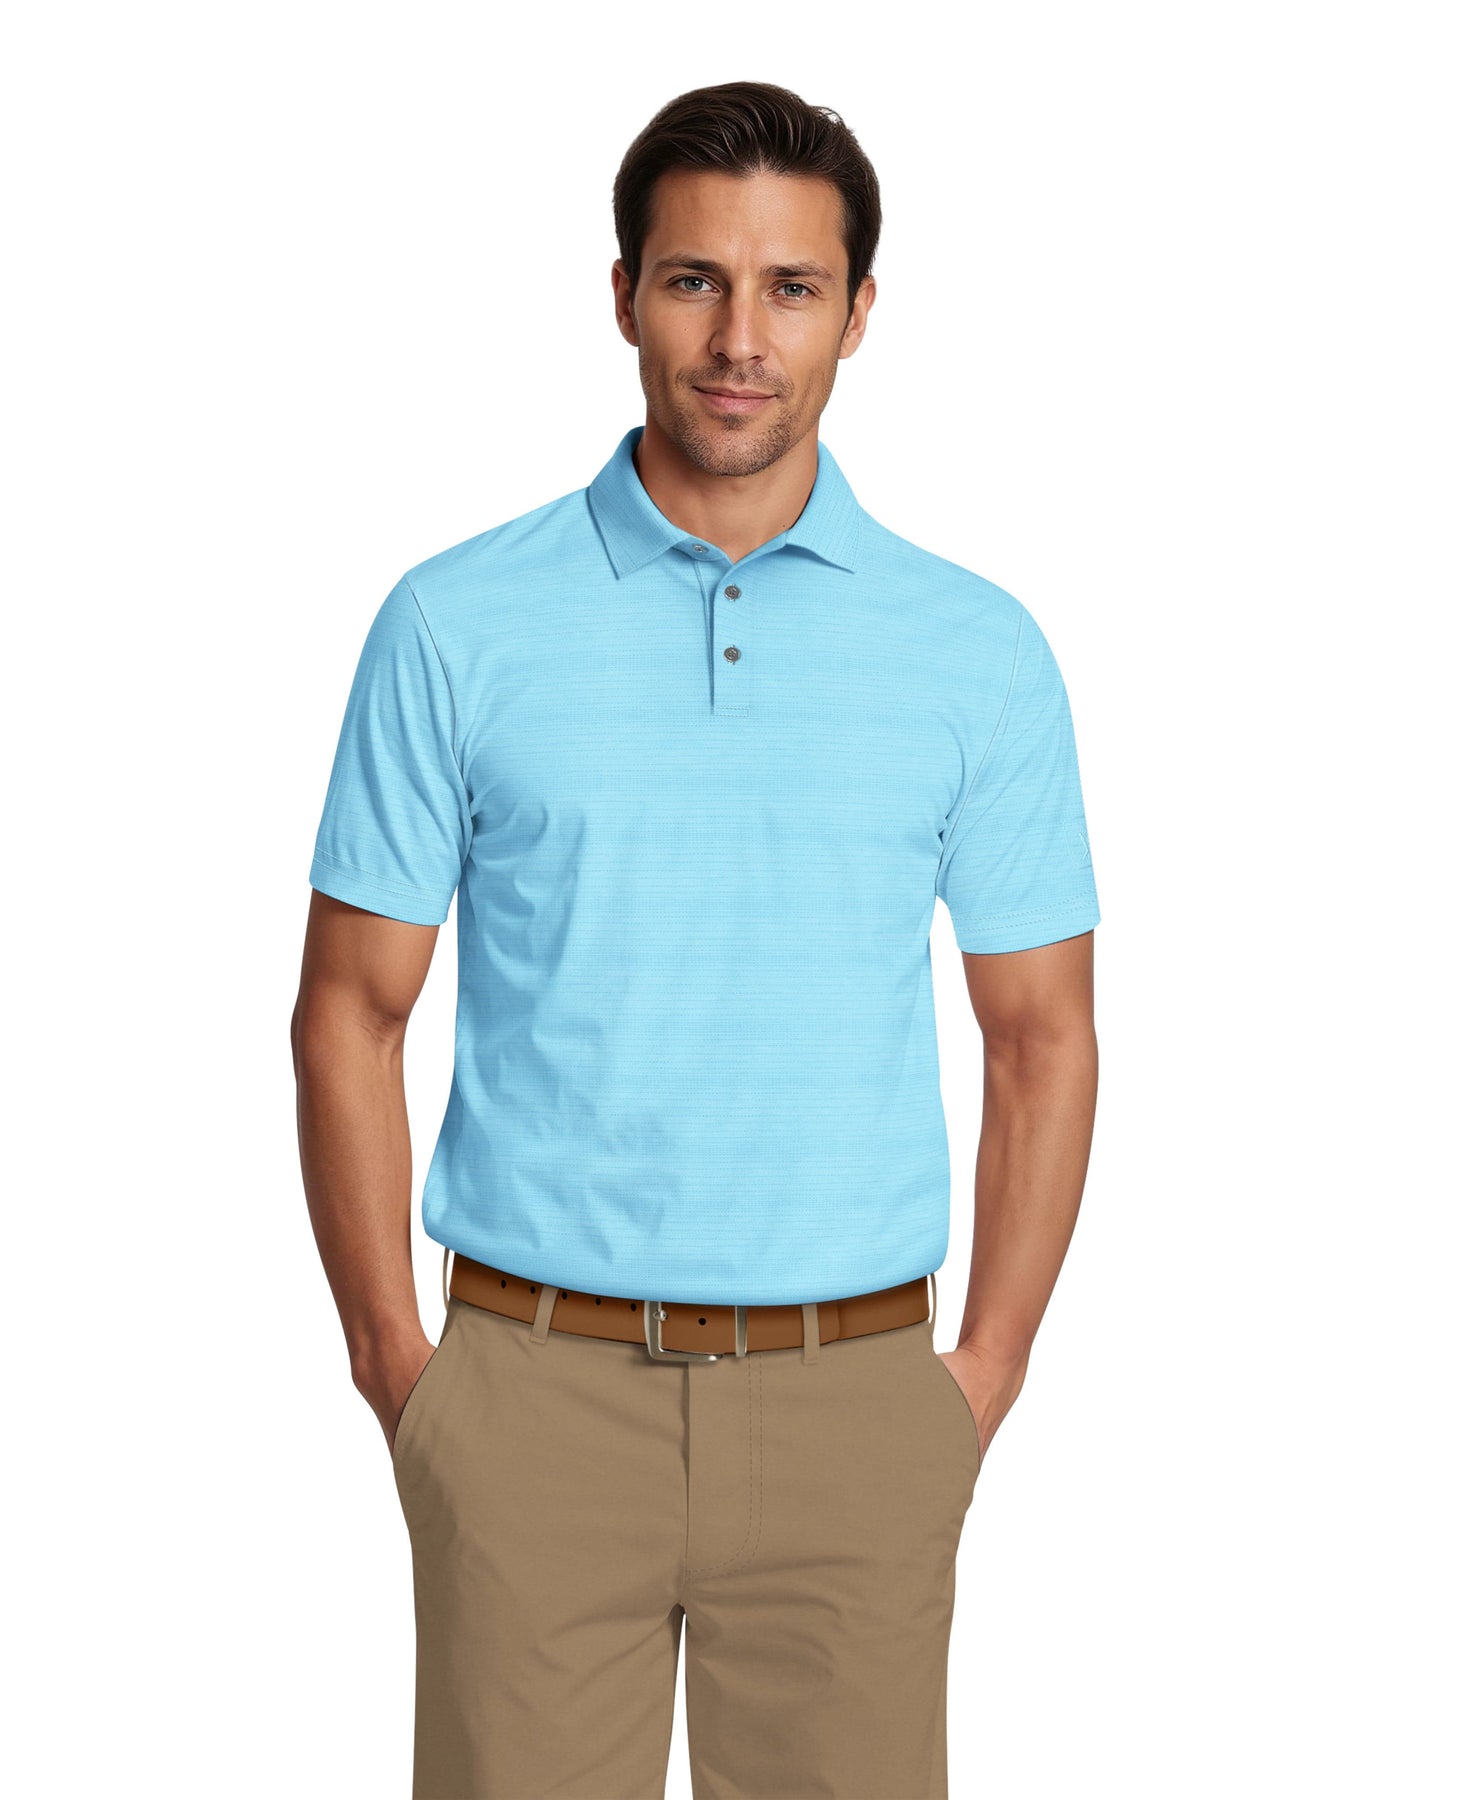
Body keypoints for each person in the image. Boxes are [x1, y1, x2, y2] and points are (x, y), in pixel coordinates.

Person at [292, 78, 1100, 1800]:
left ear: (857, 313)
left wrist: (980, 1379)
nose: (740, 339)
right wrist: (398, 1370)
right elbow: (349, 1012)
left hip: (854, 1401)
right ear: (622, 297)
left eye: (790, 287)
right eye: (693, 281)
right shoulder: (453, 624)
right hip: (527, 1395)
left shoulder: (975, 652)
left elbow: (1041, 1036)